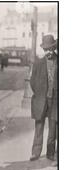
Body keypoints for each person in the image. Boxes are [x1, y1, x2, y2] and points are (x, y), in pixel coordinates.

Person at [30, 34, 58, 162]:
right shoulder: (38, 63)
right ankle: (35, 152)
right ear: (43, 50)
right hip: (41, 100)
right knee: (39, 127)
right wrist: (40, 93)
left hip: (56, 101)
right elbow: (32, 81)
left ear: (54, 48)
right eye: (46, 49)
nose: (49, 52)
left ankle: (50, 153)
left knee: (53, 128)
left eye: (51, 49)